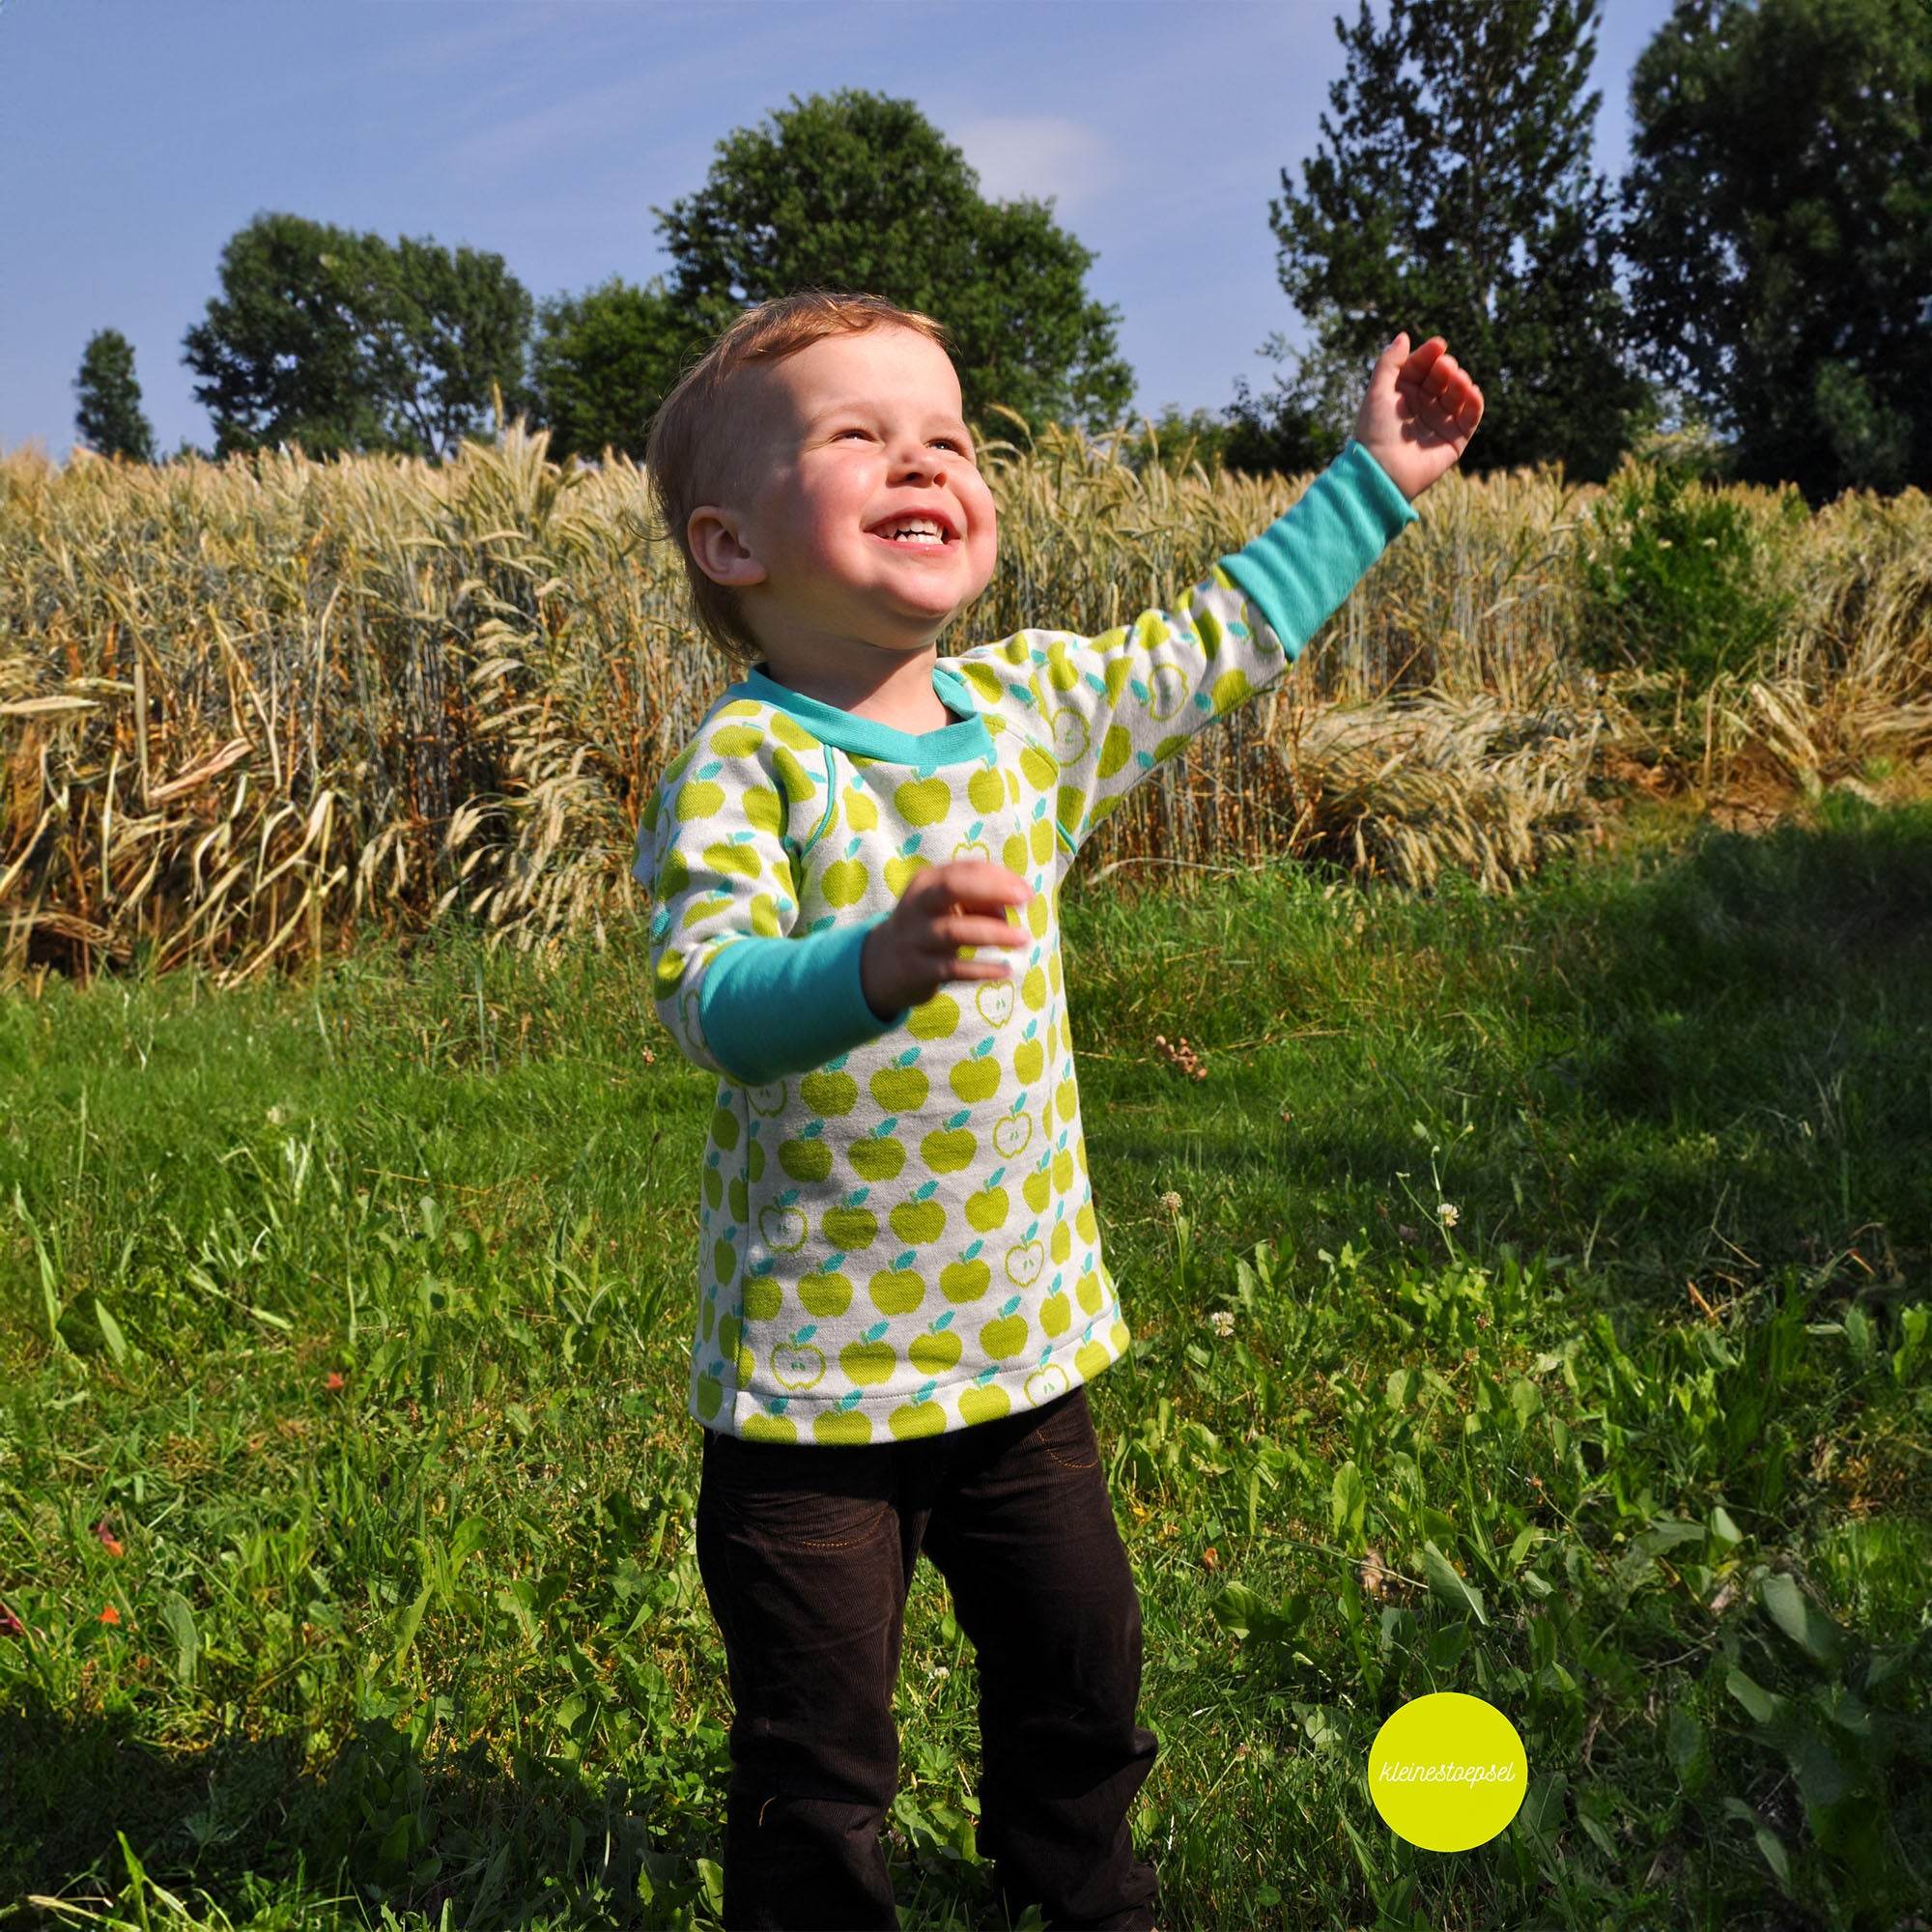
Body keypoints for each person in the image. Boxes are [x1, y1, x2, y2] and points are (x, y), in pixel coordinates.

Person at [634, 289, 1482, 1931]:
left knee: (1082, 1669)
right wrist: (867, 965)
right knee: (815, 1749)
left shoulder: (1026, 713)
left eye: (950, 438)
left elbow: (1219, 634)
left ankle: (1080, 1888)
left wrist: (1373, 478)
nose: (925, 463)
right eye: (858, 436)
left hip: (1019, 1351)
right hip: (809, 1392)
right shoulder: (748, 768)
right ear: (730, 545)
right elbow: (712, 1000)